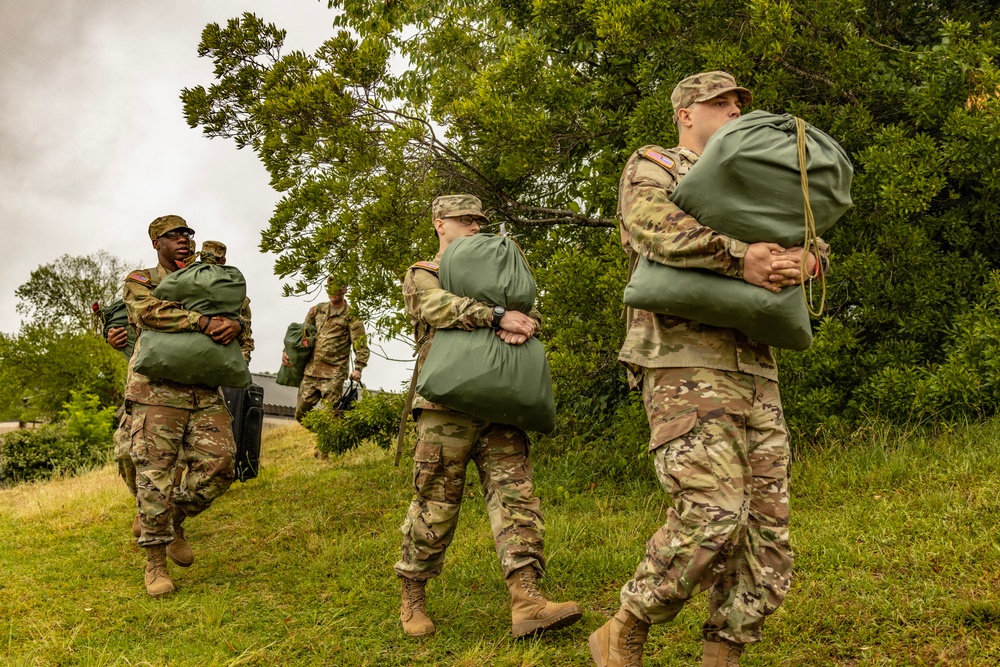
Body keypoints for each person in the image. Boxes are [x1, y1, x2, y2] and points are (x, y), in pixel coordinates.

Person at [588, 72, 827, 667]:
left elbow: (809, 233)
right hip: (682, 362)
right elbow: (650, 228)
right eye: (718, 104)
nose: (732, 111)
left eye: (739, 103)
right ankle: (626, 626)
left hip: (755, 366)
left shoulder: (759, 176)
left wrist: (806, 259)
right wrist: (740, 256)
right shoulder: (657, 165)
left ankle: (725, 651)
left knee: (768, 538)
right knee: (712, 513)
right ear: (685, 114)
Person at [394, 194, 582, 639]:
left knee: (516, 498)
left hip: (501, 402)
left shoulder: (500, 273)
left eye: (480, 221)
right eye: (465, 220)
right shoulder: (425, 272)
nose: (476, 227)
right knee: (437, 500)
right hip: (445, 408)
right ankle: (413, 595)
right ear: (440, 223)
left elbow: (527, 308)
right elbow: (433, 307)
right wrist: (496, 315)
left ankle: (527, 601)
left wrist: (524, 322)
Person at [123, 215, 252, 597]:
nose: (184, 240)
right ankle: (155, 563)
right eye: (173, 235)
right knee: (154, 476)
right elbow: (145, 313)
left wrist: (237, 328)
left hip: (204, 392)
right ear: (156, 243)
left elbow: (242, 320)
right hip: (155, 393)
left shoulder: (211, 281)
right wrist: (202, 320)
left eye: (187, 234)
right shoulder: (142, 279)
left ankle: (174, 520)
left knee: (222, 466)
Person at [292, 277, 369, 423]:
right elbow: (302, 336)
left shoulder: (351, 315)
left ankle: (326, 443)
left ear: (345, 290)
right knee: (301, 414)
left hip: (334, 375)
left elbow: (360, 345)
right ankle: (320, 435)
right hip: (311, 372)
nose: (333, 291)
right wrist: (289, 352)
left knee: (331, 417)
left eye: (337, 288)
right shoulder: (317, 310)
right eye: (330, 288)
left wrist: (358, 368)